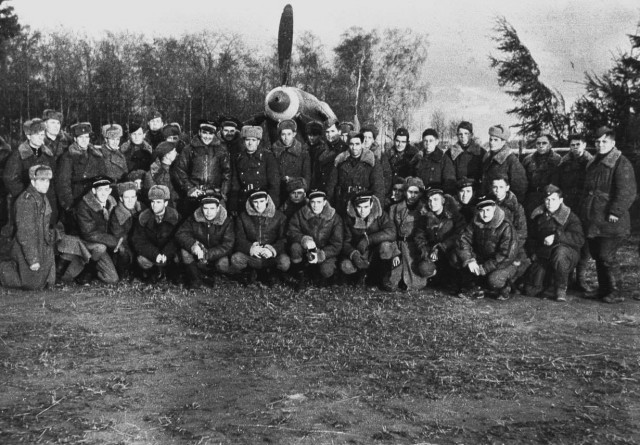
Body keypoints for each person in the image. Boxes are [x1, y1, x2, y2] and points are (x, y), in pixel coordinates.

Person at [580, 126, 637, 303]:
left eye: (604, 141)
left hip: (610, 219)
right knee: (597, 255)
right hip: (594, 217)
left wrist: (615, 211)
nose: (600, 144)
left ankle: (616, 291)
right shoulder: (594, 162)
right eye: (597, 141)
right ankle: (604, 289)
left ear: (613, 143)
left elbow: (627, 191)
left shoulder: (621, 162)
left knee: (606, 255)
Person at [525, 185, 585, 301]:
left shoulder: (570, 217)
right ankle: (548, 284)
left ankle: (561, 289)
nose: (550, 203)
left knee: (560, 254)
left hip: (568, 254)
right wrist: (533, 253)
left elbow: (579, 239)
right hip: (544, 254)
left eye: (553, 199)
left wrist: (557, 237)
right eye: (547, 200)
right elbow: (532, 237)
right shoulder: (538, 215)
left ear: (561, 200)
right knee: (531, 290)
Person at [0, 165, 56, 289]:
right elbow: (25, 233)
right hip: (23, 245)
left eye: (47, 180)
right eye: (42, 180)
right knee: (31, 285)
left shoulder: (42, 197)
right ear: (32, 181)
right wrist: (33, 259)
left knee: (48, 281)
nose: (46, 184)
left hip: (40, 243)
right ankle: (3, 269)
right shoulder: (26, 201)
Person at [551, 133, 593, 291]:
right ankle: (566, 276)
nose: (575, 148)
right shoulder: (564, 163)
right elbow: (556, 184)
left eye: (578, 144)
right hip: (568, 206)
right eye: (572, 145)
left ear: (584, 145)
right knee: (565, 238)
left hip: (585, 207)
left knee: (585, 241)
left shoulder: (591, 162)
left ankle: (581, 277)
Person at [456, 196, 519, 300]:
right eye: (482, 211)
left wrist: (485, 268)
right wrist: (469, 259)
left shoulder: (506, 226)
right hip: (483, 259)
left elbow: (507, 254)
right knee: (457, 258)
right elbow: (463, 240)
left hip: (505, 263)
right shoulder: (475, 222)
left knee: (494, 280)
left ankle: (505, 287)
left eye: (488, 210)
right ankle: (477, 288)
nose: (485, 214)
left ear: (494, 209)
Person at [3, 119, 58, 225]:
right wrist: (26, 195)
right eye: (36, 134)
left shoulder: (48, 155)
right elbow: (9, 178)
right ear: (28, 136)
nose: (40, 137)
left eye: (42, 134)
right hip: (26, 201)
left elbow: (54, 178)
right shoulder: (18, 155)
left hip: (47, 200)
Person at [176, 191, 234, 289]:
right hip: (198, 253)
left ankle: (211, 275)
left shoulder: (226, 221)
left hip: (215, 255)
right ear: (201, 208)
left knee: (223, 264)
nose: (208, 212)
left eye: (212, 208)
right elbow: (180, 233)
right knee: (184, 252)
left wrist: (207, 254)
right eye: (205, 208)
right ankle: (196, 280)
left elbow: (228, 245)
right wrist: (193, 245)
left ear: (218, 208)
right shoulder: (193, 218)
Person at [231, 190, 290, 285]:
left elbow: (284, 239)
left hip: (270, 256)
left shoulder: (279, 217)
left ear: (267, 200)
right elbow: (239, 238)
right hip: (253, 256)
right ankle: (250, 272)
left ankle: (273, 273)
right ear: (250, 202)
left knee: (284, 262)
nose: (259, 205)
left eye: (262, 201)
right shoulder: (242, 217)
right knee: (236, 259)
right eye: (255, 202)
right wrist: (251, 248)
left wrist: (272, 250)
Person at [287, 189, 343, 287]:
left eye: (319, 202)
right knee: (295, 247)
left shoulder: (335, 218)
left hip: (324, 251)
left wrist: (321, 255)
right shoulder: (301, 213)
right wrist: (304, 239)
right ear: (309, 201)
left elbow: (337, 244)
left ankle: (322, 276)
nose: (315, 205)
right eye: (312, 202)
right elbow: (291, 231)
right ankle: (301, 275)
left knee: (326, 271)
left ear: (324, 202)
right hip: (306, 250)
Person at [56, 122, 107, 230]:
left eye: (86, 137)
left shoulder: (96, 155)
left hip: (95, 197)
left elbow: (103, 178)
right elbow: (63, 184)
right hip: (76, 198)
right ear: (75, 139)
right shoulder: (68, 157)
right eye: (81, 137)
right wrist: (69, 205)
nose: (84, 140)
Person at [174, 119, 231, 214]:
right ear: (199, 132)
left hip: (215, 193)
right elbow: (180, 170)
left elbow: (227, 173)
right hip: (195, 193)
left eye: (210, 134)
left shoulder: (221, 150)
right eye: (205, 133)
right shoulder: (189, 149)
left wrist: (223, 193)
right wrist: (190, 188)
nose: (207, 137)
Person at [340, 191, 397, 287]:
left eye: (366, 207)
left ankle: (384, 278)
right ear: (354, 206)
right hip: (360, 252)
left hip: (377, 252)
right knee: (346, 266)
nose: (362, 211)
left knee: (386, 247)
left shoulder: (381, 215)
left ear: (371, 205)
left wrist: (368, 240)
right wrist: (353, 254)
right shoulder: (348, 219)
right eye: (359, 207)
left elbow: (391, 232)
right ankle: (359, 277)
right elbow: (345, 242)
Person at [414, 187, 465, 288]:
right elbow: (419, 237)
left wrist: (441, 247)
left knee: (456, 258)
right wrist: (426, 251)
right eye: (430, 200)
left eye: (435, 199)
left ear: (443, 200)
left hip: (450, 250)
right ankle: (437, 277)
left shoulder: (455, 216)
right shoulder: (424, 218)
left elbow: (460, 234)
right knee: (424, 268)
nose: (432, 203)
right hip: (433, 254)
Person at [75, 176, 120, 284]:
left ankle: (95, 269)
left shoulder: (112, 204)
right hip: (85, 243)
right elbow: (89, 234)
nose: (104, 193)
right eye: (100, 190)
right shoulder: (84, 205)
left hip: (103, 243)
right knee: (101, 248)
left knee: (113, 278)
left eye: (106, 189)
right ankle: (88, 271)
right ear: (94, 191)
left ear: (110, 190)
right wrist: (114, 242)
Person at [385, 177, 428, 291]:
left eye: (416, 192)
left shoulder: (425, 210)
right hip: (398, 245)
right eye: (410, 192)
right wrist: (394, 252)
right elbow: (390, 231)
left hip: (414, 247)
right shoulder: (394, 209)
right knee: (391, 283)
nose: (412, 195)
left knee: (416, 284)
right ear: (405, 192)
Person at [131, 185, 181, 281]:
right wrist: (155, 254)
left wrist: (166, 253)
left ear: (166, 203)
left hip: (169, 254)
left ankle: (169, 272)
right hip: (153, 253)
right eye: (152, 202)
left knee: (178, 258)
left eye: (158, 202)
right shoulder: (143, 217)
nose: (154, 205)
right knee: (142, 260)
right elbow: (138, 240)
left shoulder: (176, 217)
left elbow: (177, 239)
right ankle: (154, 272)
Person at [328, 131, 385, 215]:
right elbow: (331, 185)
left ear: (362, 144)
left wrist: (375, 210)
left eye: (357, 144)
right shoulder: (340, 161)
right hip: (344, 203)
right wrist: (330, 207)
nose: (354, 147)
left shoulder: (372, 161)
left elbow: (378, 187)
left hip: (363, 204)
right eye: (351, 144)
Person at [230, 126, 280, 212]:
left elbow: (274, 183)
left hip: (262, 200)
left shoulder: (267, 157)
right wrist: (233, 204)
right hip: (244, 199)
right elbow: (235, 184)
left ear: (258, 142)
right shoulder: (238, 158)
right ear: (243, 141)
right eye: (247, 140)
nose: (250, 143)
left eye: (253, 140)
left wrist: (272, 204)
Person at [481, 125, 527, 202]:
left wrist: (509, 204)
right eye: (490, 139)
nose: (492, 142)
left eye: (496, 140)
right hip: (489, 201)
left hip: (504, 203)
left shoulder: (511, 160)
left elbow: (520, 188)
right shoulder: (487, 158)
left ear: (503, 142)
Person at [271, 119, 311, 204]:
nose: (286, 138)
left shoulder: (303, 152)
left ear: (294, 134)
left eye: (289, 134)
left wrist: (292, 181)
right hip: (279, 194)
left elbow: (307, 177)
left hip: (297, 194)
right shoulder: (273, 152)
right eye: (283, 134)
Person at [521, 133, 562, 217]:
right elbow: (522, 181)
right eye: (538, 143)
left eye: (544, 143)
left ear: (550, 145)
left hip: (549, 198)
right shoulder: (528, 160)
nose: (541, 145)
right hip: (532, 197)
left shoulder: (557, 160)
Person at [108, 181, 142, 280]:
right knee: (123, 253)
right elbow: (119, 237)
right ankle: (124, 273)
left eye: (133, 197)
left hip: (138, 244)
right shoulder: (116, 214)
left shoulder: (141, 209)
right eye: (127, 197)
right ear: (121, 198)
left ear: (136, 198)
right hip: (124, 246)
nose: (130, 200)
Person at [412, 129, 456, 194]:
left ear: (436, 142)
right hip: (419, 195)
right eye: (425, 141)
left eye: (431, 141)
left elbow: (449, 181)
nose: (428, 143)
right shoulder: (418, 158)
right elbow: (411, 176)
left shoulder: (444, 159)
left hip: (436, 196)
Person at [311, 119, 347, 192]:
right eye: (327, 132)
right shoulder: (320, 149)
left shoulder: (345, 149)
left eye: (332, 131)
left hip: (335, 191)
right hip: (320, 191)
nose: (329, 134)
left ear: (339, 132)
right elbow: (315, 172)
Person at [143, 141, 179, 208]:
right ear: (167, 154)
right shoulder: (151, 175)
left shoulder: (174, 169)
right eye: (174, 151)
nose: (176, 153)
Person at [361, 124, 392, 194]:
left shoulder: (380, 156)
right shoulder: (356, 153)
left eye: (369, 138)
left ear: (373, 140)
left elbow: (387, 176)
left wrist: (382, 193)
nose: (366, 140)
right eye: (364, 137)